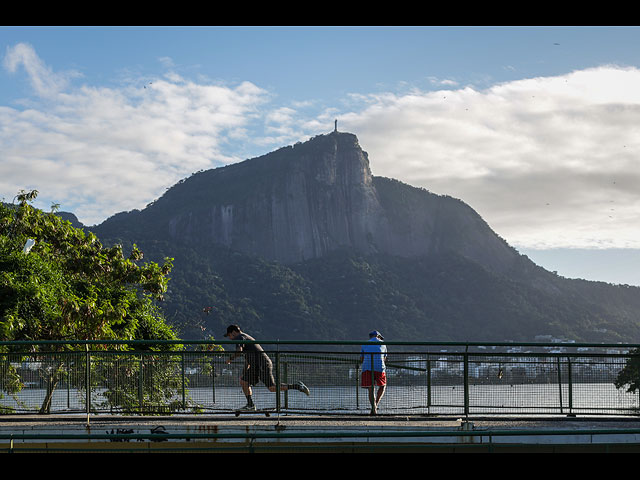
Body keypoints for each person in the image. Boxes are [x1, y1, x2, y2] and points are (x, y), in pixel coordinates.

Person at [224, 324, 310, 411]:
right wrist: (244, 373)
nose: (229, 338)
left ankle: (298, 386)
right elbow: (248, 359)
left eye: (229, 335)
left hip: (263, 364)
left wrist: (230, 359)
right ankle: (250, 405)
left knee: (272, 388)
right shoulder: (245, 338)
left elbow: (239, 351)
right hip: (255, 366)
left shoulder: (240, 337)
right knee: (243, 381)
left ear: (234, 332)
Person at [360, 330, 387, 415]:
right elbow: (384, 358)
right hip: (380, 367)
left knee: (371, 388)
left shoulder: (365, 344)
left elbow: (361, 359)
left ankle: (373, 407)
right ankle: (376, 405)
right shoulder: (383, 344)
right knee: (383, 386)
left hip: (367, 368)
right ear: (378, 336)